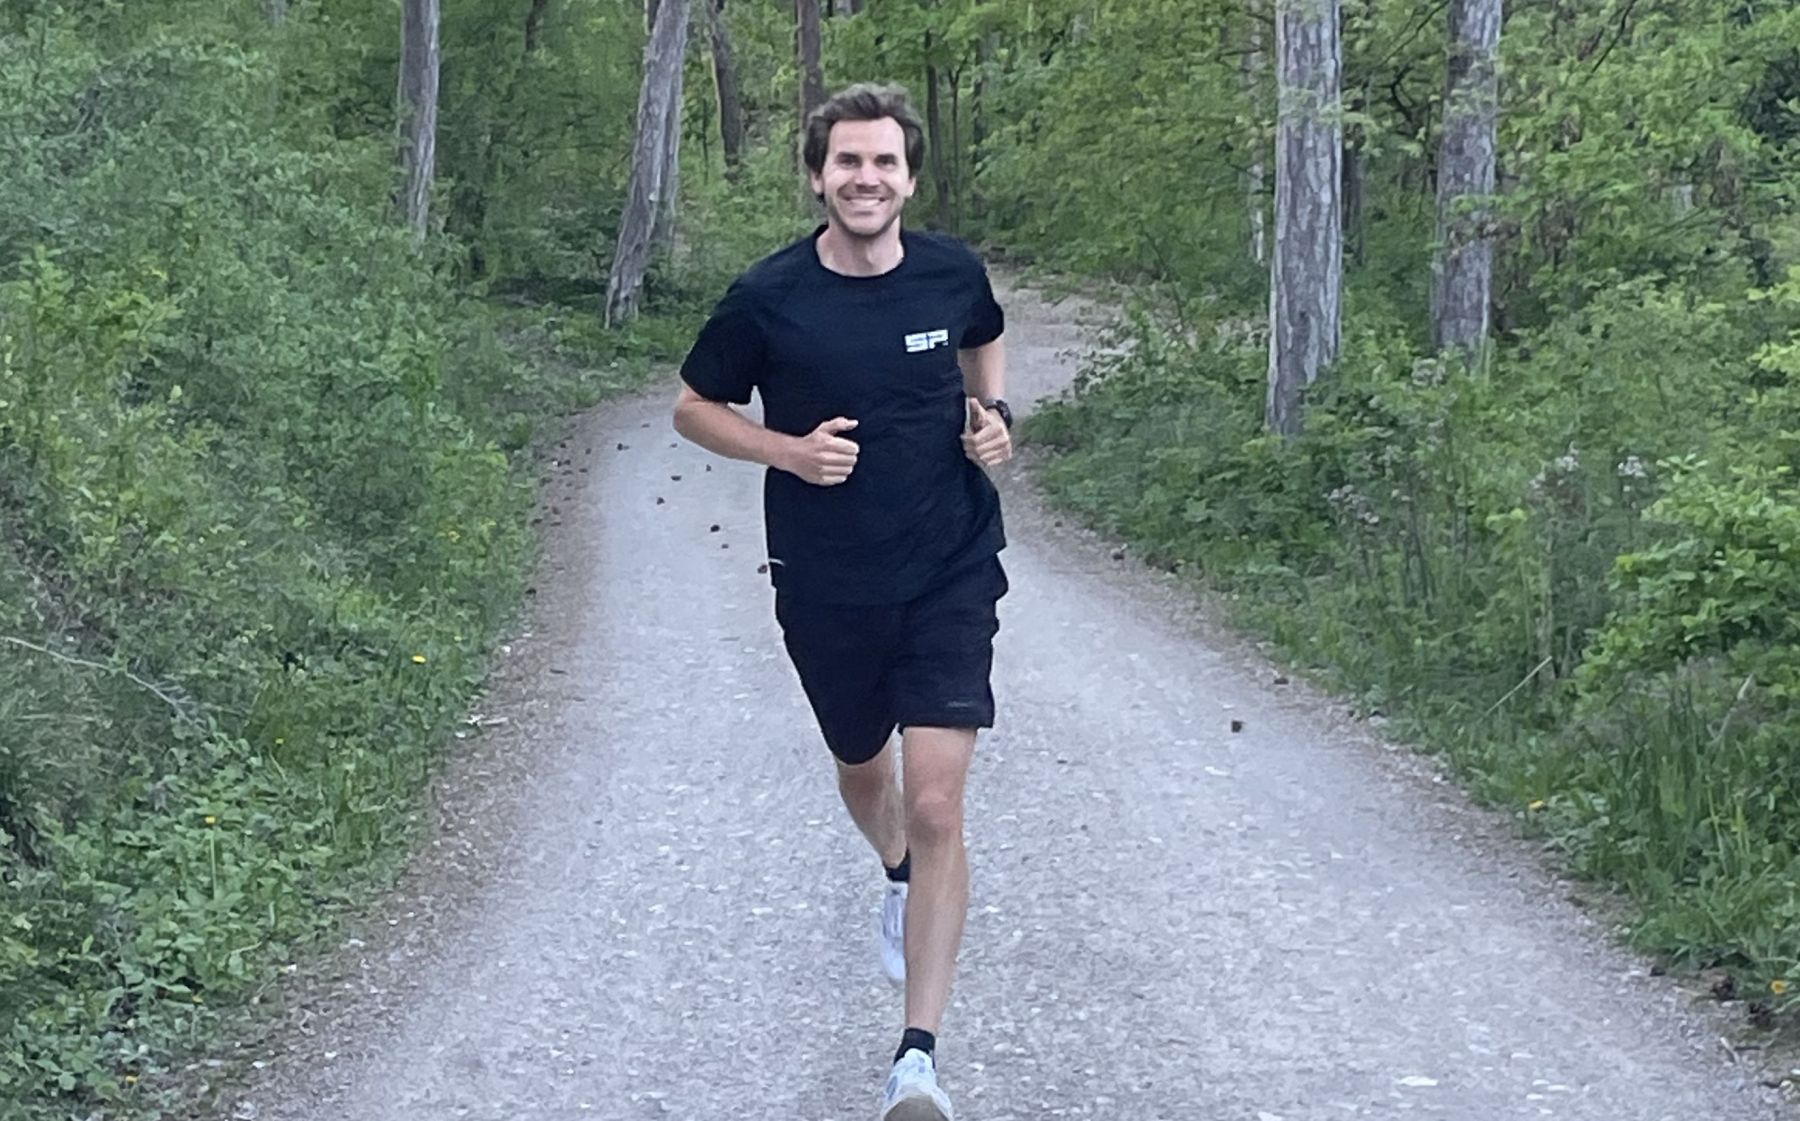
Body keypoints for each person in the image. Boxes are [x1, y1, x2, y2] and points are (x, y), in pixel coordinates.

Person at [672, 82, 1013, 1121]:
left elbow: (985, 339)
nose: (867, 179)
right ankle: (899, 870)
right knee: (865, 770)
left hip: (951, 564)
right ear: (819, 177)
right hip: (828, 582)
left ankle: (917, 1060)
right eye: (848, 163)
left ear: (910, 178)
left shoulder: (951, 271)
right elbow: (693, 407)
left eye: (885, 163)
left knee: (938, 799)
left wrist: (993, 412)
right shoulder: (769, 297)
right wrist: (785, 450)